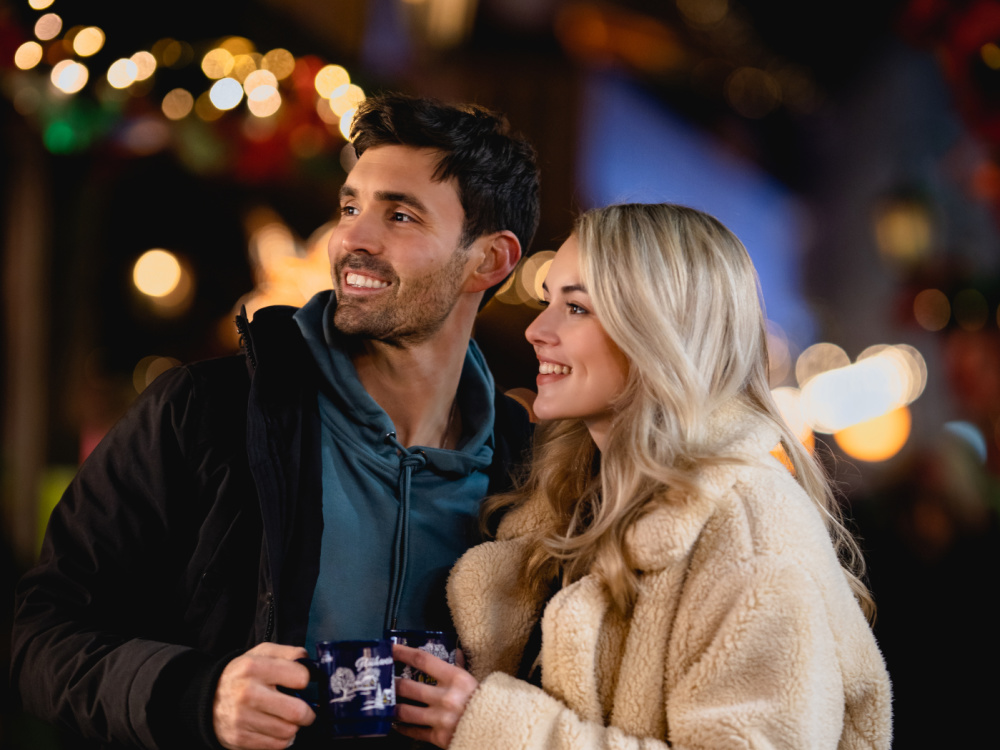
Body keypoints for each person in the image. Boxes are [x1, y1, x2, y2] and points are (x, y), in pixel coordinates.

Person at [11, 92, 540, 750]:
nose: (354, 239)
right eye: (351, 206)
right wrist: (199, 696)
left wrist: (491, 717)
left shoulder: (533, 475)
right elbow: (38, 636)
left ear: (490, 260)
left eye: (399, 215)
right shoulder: (204, 412)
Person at [391, 203, 893, 749]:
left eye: (577, 307)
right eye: (547, 300)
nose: (538, 329)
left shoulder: (749, 526)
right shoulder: (575, 500)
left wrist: (492, 726)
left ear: (660, 332)